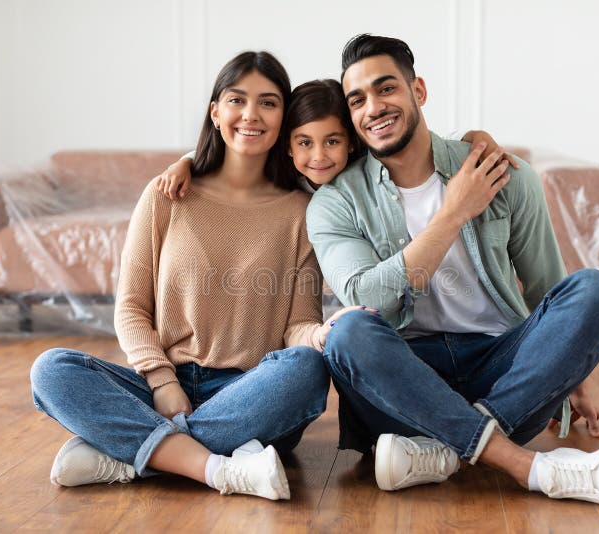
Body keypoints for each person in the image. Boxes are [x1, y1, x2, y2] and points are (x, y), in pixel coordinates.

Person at [304, 34, 599, 507]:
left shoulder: (502, 171)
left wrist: (574, 377)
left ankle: (445, 449)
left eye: (386, 89)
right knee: (349, 332)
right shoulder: (334, 202)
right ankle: (519, 462)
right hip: (402, 380)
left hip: (499, 368)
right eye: (357, 100)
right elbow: (370, 298)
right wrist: (452, 213)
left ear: (418, 90)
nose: (373, 107)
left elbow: (549, 287)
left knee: (597, 290)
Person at [29, 51, 375, 501]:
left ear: (283, 122)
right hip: (163, 384)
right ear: (216, 112)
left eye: (268, 103)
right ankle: (213, 465)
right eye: (237, 100)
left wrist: (322, 334)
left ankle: (130, 456)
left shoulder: (300, 213)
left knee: (306, 370)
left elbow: (295, 326)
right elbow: (132, 308)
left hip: (249, 393)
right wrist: (162, 382)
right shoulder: (167, 195)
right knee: (52, 369)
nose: (251, 114)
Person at [155, 80, 515, 198]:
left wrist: (471, 137)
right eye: (305, 142)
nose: (319, 157)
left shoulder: (368, 169)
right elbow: (232, 153)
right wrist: (185, 161)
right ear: (287, 144)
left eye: (332, 141)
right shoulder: (286, 172)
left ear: (353, 142)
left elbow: (421, 147)